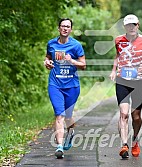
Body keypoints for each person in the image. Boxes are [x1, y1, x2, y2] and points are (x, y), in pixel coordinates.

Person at [109, 14, 142, 159]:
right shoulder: (118, 40)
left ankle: (135, 139)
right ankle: (124, 145)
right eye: (128, 25)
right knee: (124, 113)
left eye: (133, 25)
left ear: (138, 25)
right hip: (122, 80)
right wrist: (114, 70)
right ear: (125, 27)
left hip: (138, 81)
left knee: (136, 116)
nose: (131, 27)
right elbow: (117, 56)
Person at [44, 18, 86, 159]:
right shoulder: (51, 43)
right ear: (59, 28)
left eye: (68, 26)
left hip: (72, 86)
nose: (65, 29)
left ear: (71, 29)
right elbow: (48, 57)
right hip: (55, 84)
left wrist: (71, 61)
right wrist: (47, 62)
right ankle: (60, 146)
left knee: (68, 116)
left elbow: (83, 65)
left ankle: (71, 131)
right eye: (63, 26)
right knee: (59, 115)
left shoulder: (76, 45)